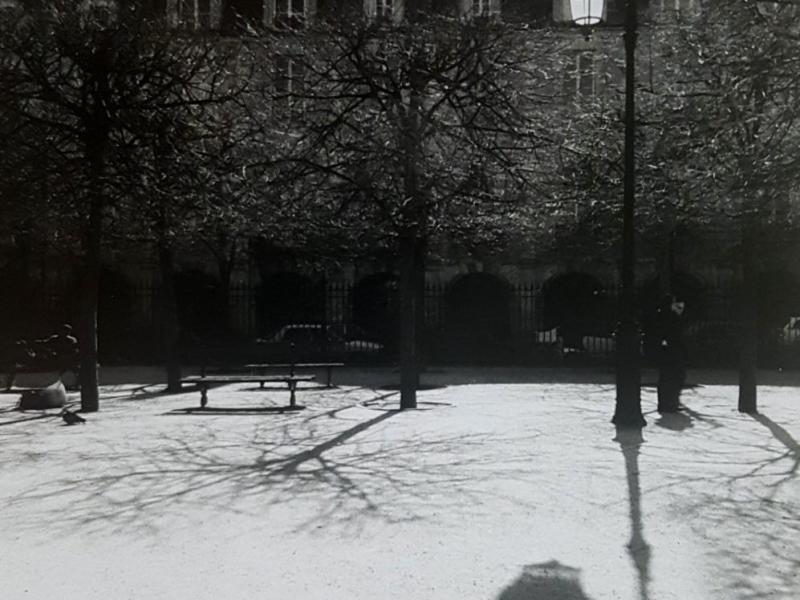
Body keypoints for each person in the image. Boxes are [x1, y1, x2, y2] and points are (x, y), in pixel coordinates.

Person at [656, 294, 687, 413]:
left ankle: (665, 403)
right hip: (673, 350)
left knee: (665, 378)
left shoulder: (660, 315)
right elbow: (677, 332)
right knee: (676, 377)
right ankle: (671, 403)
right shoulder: (672, 316)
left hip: (665, 350)